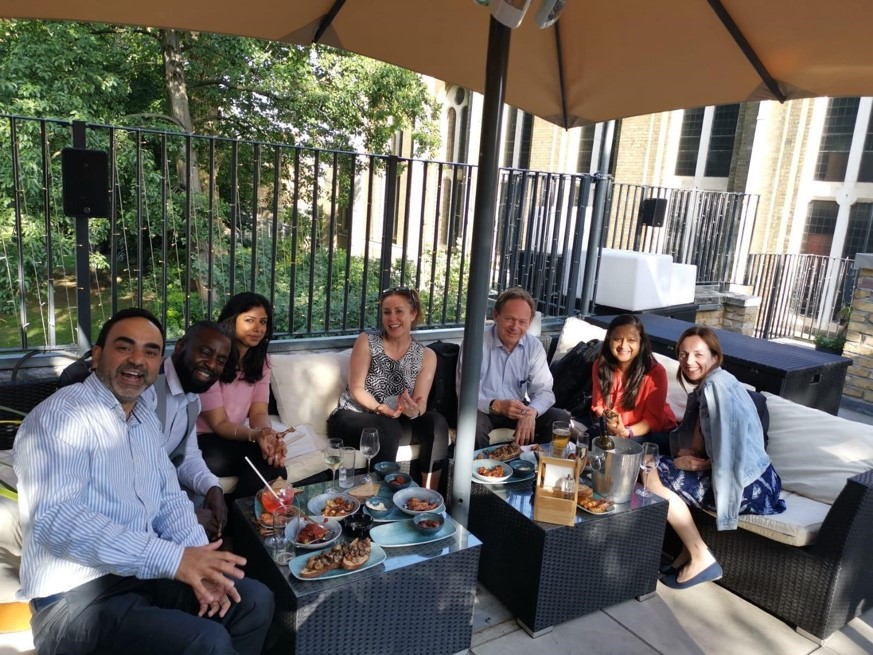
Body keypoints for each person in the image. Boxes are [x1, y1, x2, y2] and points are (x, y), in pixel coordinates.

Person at [14, 308, 273, 655]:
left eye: (150, 351)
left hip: (138, 577)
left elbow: (169, 499)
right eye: (125, 347)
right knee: (207, 642)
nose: (138, 360)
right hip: (74, 599)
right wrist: (172, 559)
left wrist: (200, 560)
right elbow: (59, 522)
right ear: (97, 356)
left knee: (253, 601)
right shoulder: (60, 418)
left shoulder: (143, 420)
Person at [647, 325, 786, 590]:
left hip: (748, 486)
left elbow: (730, 450)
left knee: (647, 470)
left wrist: (698, 464)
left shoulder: (715, 389)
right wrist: (693, 454)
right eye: (684, 354)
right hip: (764, 478)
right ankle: (688, 552)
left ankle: (700, 556)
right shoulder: (720, 381)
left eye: (698, 354)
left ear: (714, 356)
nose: (689, 361)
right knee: (657, 462)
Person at [327, 287, 449, 490]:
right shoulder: (367, 340)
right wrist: (380, 408)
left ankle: (429, 496)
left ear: (413, 313)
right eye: (386, 312)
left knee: (436, 422)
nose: (392, 318)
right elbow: (357, 388)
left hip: (395, 423)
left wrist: (413, 411)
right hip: (354, 416)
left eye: (399, 311)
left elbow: (421, 405)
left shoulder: (426, 355)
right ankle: (380, 499)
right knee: (386, 428)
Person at [197, 292, 287, 499]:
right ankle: (240, 523)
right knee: (270, 465)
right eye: (249, 321)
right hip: (202, 441)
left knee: (273, 461)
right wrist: (255, 436)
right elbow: (219, 424)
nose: (258, 329)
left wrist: (267, 435)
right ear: (231, 320)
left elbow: (258, 411)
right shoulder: (213, 360)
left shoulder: (261, 362)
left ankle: (238, 523)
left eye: (263, 322)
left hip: (235, 437)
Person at [150, 320, 232, 541]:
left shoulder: (192, 399)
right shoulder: (149, 388)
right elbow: (133, 474)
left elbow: (187, 456)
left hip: (164, 494)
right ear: (180, 346)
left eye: (221, 360)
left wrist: (213, 487)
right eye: (205, 352)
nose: (212, 364)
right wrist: (186, 515)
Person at [462, 287, 569, 449]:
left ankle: (542, 469)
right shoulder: (475, 342)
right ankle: (481, 471)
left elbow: (545, 391)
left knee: (559, 418)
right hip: (484, 410)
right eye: (509, 318)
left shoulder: (534, 346)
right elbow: (465, 393)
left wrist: (531, 411)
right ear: (496, 315)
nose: (515, 327)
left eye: (522, 322)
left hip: (518, 409)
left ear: (530, 322)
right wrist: (496, 405)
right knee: (471, 422)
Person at [590, 314, 677, 451]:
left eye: (631, 340)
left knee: (624, 448)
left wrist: (626, 432)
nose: (623, 345)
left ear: (641, 342)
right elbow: (599, 406)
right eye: (617, 339)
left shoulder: (655, 372)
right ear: (609, 340)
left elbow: (652, 421)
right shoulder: (600, 366)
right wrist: (610, 425)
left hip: (652, 432)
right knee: (591, 436)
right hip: (615, 428)